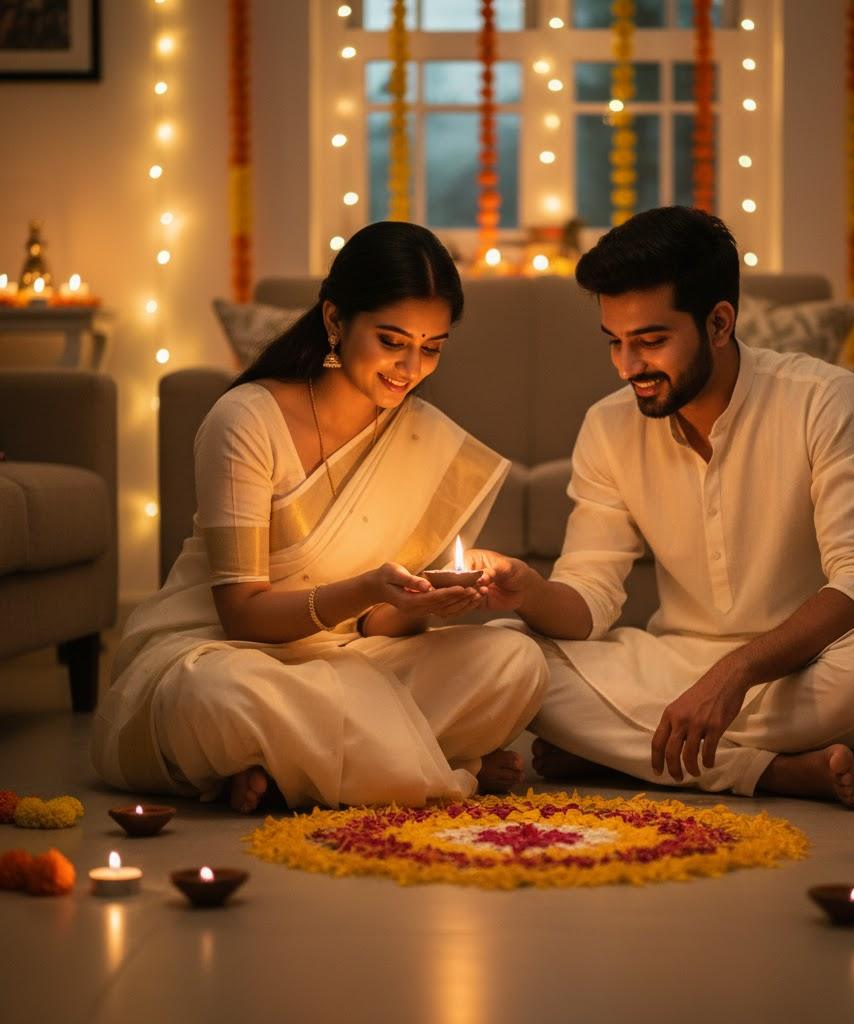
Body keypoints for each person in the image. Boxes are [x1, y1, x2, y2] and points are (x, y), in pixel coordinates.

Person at [470, 205, 854, 808]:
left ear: (720, 322)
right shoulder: (607, 427)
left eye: (650, 341)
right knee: (505, 651)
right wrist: (528, 592)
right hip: (672, 667)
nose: (627, 367)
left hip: (807, 669)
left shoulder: (826, 401)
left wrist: (735, 675)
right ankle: (770, 770)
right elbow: (590, 599)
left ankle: (622, 755)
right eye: (615, 343)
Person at [91, 222, 547, 813]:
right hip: (233, 654)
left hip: (352, 660)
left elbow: (372, 628)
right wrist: (361, 589)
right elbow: (242, 616)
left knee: (514, 662)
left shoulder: (421, 439)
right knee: (214, 697)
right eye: (392, 341)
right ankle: (436, 767)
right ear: (335, 321)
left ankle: (291, 766)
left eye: (431, 348)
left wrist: (416, 607)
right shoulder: (247, 421)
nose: (409, 368)